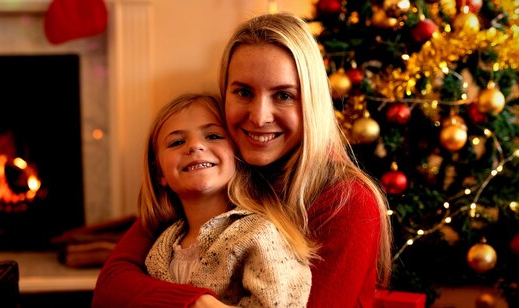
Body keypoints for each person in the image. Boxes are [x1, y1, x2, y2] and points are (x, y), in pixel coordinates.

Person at [92, 12, 392, 308]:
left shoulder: (347, 200)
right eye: (243, 92)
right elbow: (112, 283)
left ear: (310, 102)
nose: (259, 117)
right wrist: (198, 303)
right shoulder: (214, 174)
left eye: (284, 96)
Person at [138, 93, 312, 307]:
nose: (194, 146)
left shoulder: (259, 233)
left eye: (213, 136)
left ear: (237, 156)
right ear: (159, 173)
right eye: (176, 142)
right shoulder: (159, 249)